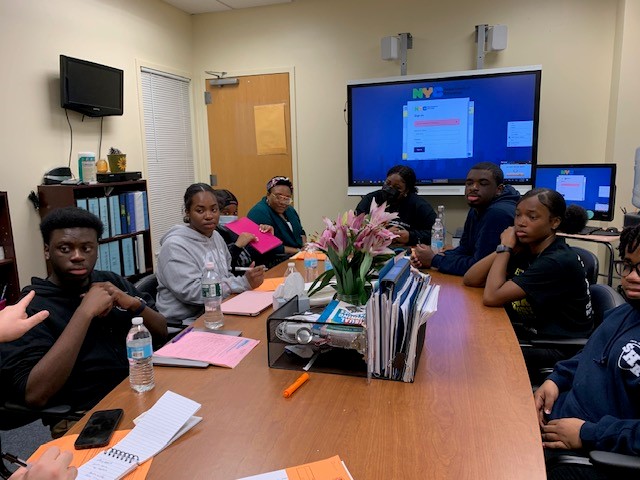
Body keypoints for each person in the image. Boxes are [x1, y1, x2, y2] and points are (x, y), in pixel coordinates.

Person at [0, 207, 167, 432]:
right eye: (65, 248)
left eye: (86, 248)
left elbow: (162, 332)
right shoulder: (31, 307)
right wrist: (84, 312)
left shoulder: (110, 282)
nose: (78, 256)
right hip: (86, 418)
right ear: (47, 251)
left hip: (141, 391)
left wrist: (134, 304)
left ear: (97, 249)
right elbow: (35, 395)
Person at [534, 224, 640, 479]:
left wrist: (587, 434)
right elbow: (593, 353)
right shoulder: (624, 313)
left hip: (594, 457)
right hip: (558, 425)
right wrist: (556, 379)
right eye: (627, 265)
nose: (631, 276)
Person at [463, 188, 593, 372]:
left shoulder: (556, 261)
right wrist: (506, 249)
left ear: (555, 222)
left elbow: (491, 297)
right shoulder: (529, 248)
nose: (521, 223)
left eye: (532, 217)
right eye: (518, 216)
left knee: (477, 357)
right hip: (533, 333)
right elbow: (471, 279)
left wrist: (505, 247)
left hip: (559, 347)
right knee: (468, 339)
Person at [156, 183, 265, 324]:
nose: (209, 216)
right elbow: (193, 292)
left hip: (219, 309)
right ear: (187, 212)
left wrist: (244, 280)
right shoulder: (174, 246)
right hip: (187, 322)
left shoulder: (216, 237)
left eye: (214, 210)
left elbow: (225, 274)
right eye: (200, 211)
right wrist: (242, 283)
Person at [410, 162, 519, 274]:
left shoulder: (498, 213)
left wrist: (434, 260)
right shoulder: (478, 206)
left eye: (483, 184)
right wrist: (433, 256)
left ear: (499, 189)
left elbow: (479, 267)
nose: (474, 188)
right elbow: (465, 249)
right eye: (469, 183)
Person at [355, 165, 436, 246]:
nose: (389, 189)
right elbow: (355, 228)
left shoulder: (418, 205)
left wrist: (410, 237)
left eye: (397, 188)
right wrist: (384, 234)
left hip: (407, 252)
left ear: (406, 190)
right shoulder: (371, 199)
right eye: (387, 183)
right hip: (373, 249)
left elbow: (436, 234)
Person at [213, 188, 274, 273]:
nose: (232, 217)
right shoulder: (213, 235)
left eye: (235, 213)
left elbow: (258, 262)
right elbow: (226, 267)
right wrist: (237, 246)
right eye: (226, 213)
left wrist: (266, 239)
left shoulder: (238, 230)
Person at [247, 176, 306, 259]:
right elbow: (268, 245)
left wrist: (306, 247)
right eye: (278, 197)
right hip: (272, 261)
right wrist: (299, 251)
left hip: (297, 256)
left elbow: (301, 232)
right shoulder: (259, 212)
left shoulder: (290, 210)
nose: (282, 202)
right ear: (268, 195)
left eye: (287, 199)